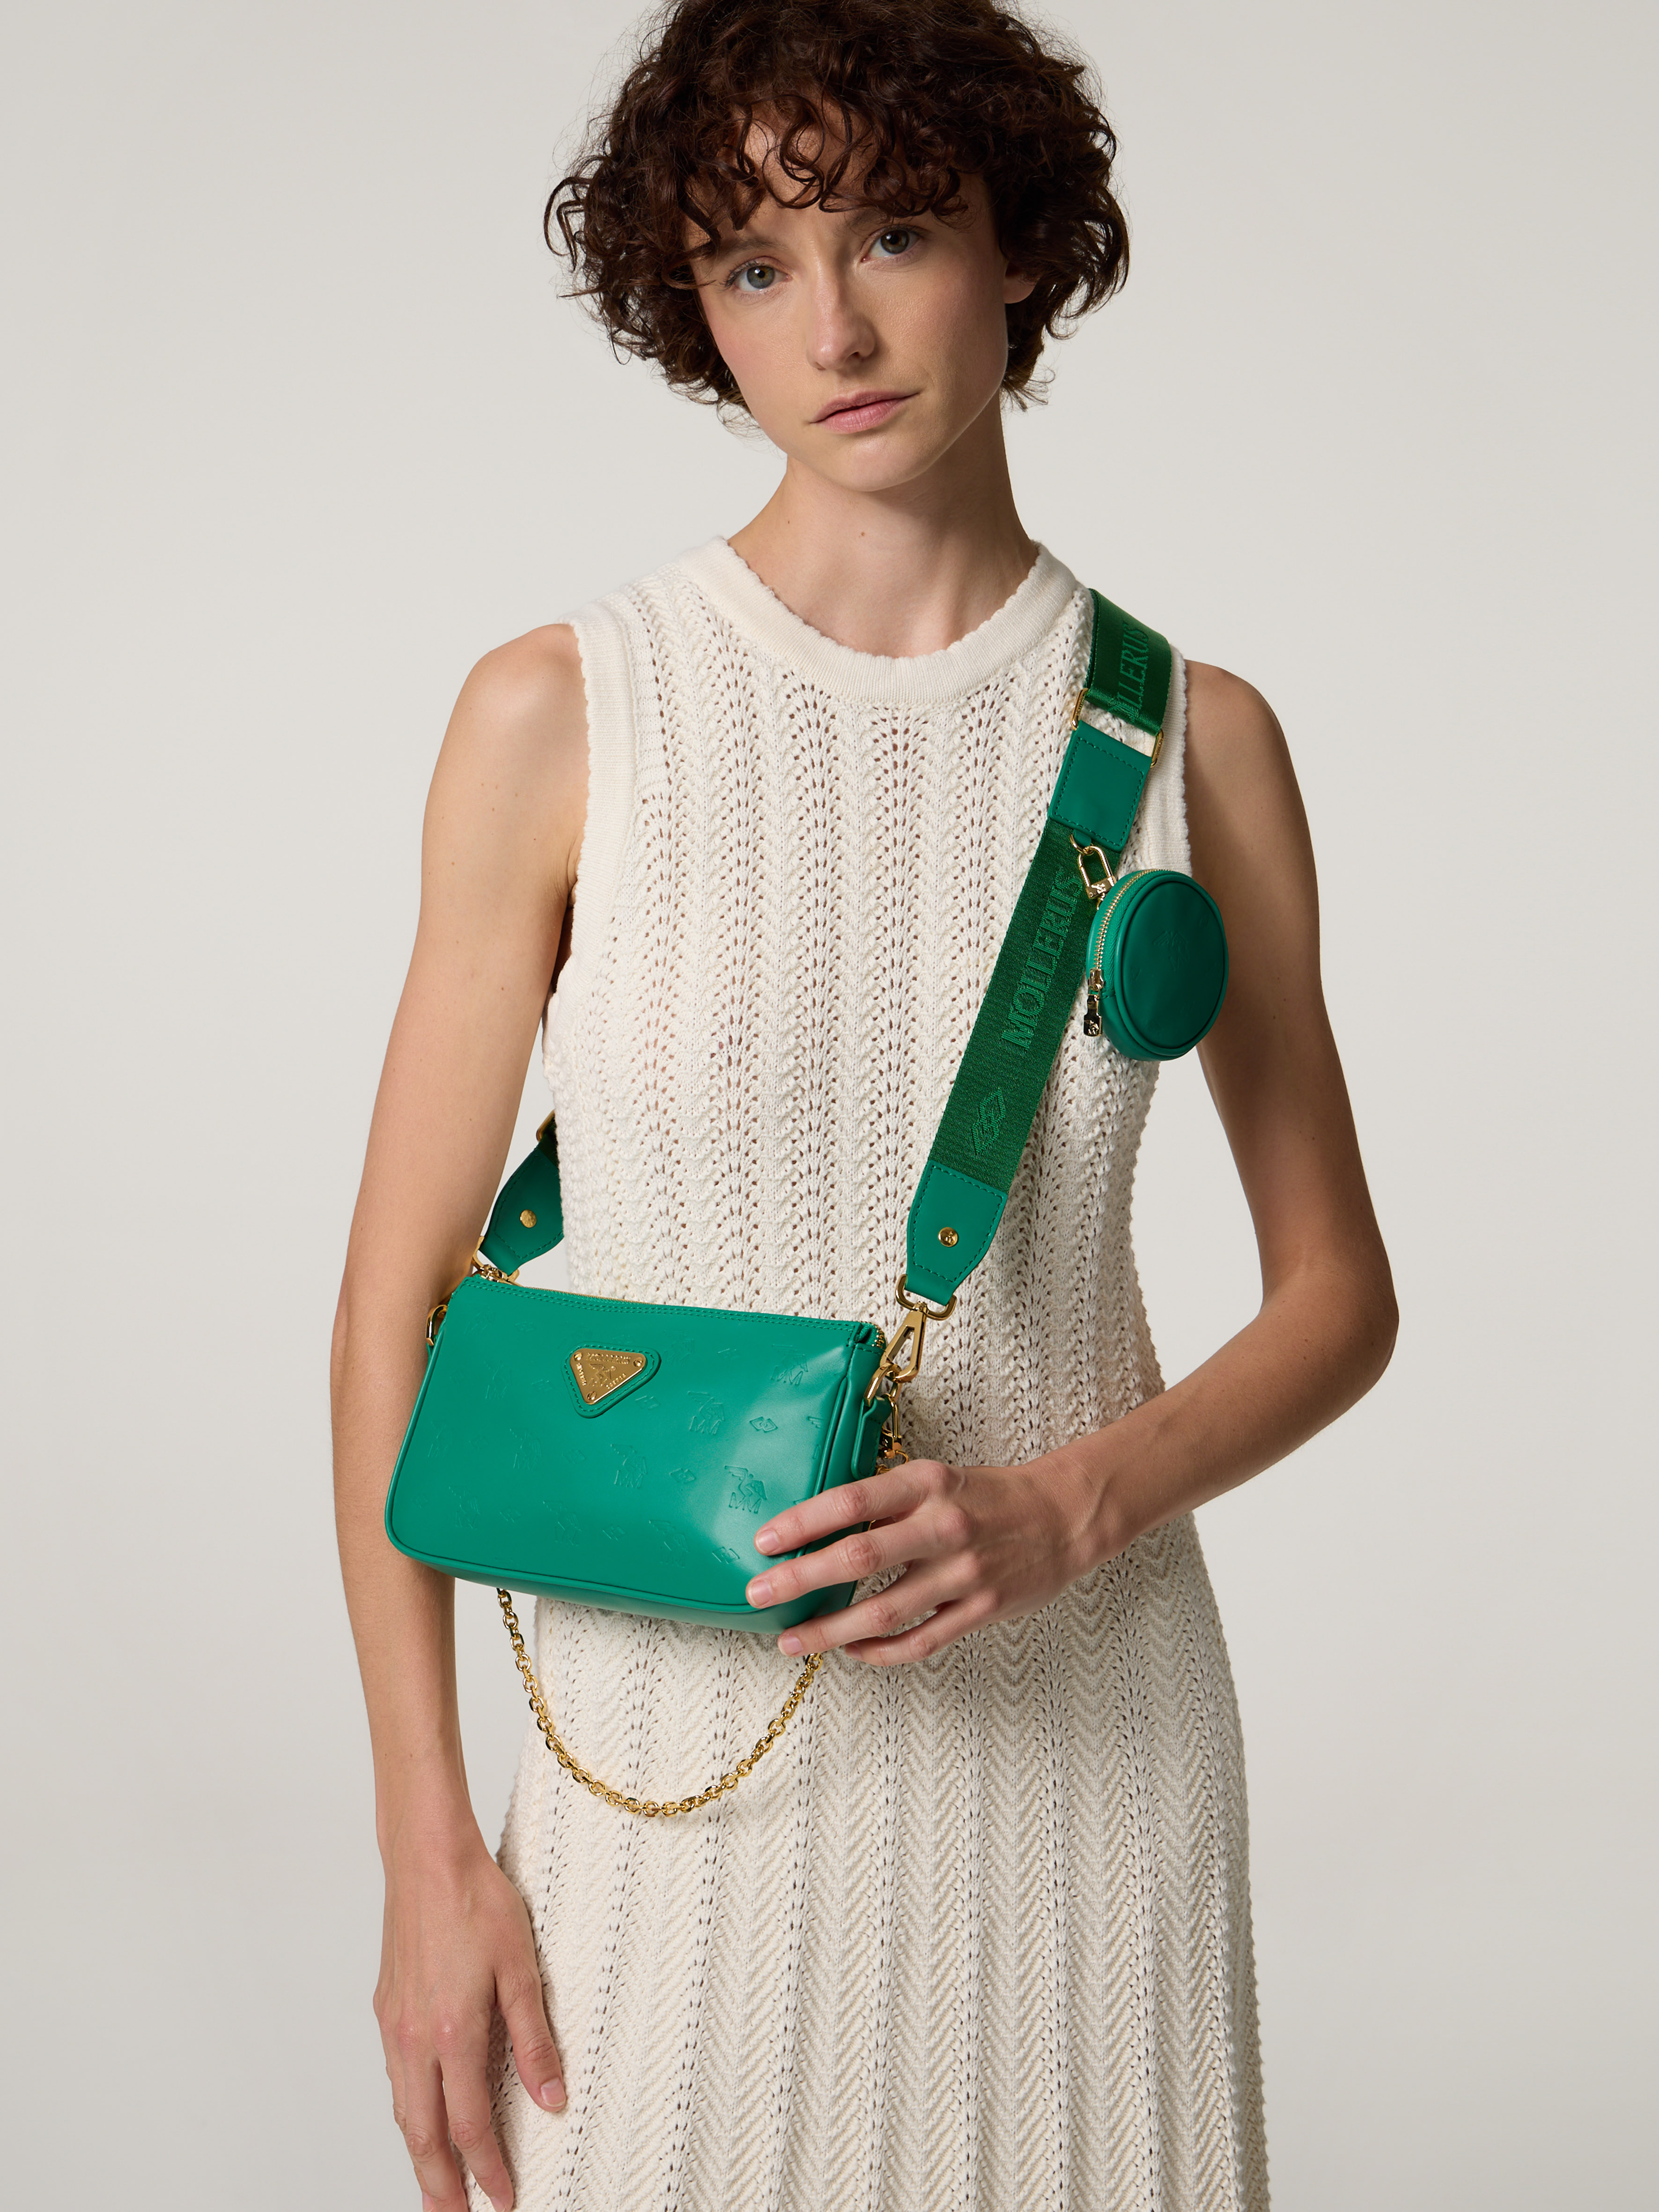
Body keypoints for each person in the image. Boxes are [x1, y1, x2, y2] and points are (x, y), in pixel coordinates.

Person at [330, 3, 1398, 2207]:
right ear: (691, 307)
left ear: (1021, 246)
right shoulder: (559, 714)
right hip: (663, 1774)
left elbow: (1338, 1294)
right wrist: (427, 1846)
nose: (830, 328)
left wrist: (1070, 1506)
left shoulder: (1196, 740)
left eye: (893, 232)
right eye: (753, 264)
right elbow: (392, 1309)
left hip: (1089, 1756)